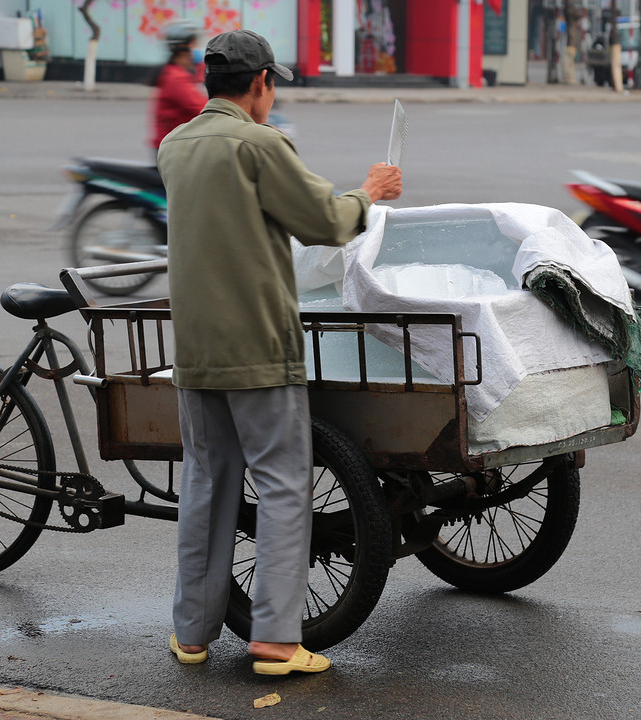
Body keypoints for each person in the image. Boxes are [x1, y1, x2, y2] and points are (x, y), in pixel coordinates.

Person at [157, 29, 402, 676]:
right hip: (258, 347)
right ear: (261, 82)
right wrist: (369, 193)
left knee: (207, 484)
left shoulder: (174, 146)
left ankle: (192, 633)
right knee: (285, 483)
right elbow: (324, 221)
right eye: (273, 85)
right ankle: (273, 639)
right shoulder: (260, 144)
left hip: (197, 348)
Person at [149, 20, 207, 155]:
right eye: (195, 44)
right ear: (183, 47)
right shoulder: (175, 78)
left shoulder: (185, 70)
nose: (198, 48)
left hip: (183, 144)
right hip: (172, 150)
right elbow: (201, 109)